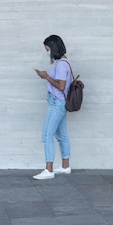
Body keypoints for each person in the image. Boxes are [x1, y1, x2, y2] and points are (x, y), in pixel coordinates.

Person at [32, 35, 73, 180]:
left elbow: (61, 86)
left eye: (48, 49)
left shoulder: (61, 64)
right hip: (60, 103)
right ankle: (65, 166)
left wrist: (46, 77)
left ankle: (48, 170)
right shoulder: (64, 62)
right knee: (61, 135)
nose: (47, 52)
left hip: (57, 103)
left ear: (54, 48)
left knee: (46, 135)